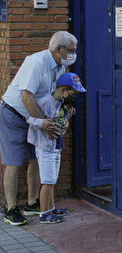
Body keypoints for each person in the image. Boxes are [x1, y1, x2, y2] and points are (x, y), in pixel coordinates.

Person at [0, 31, 78, 226]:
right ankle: (10, 209)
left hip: (34, 117)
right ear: (59, 50)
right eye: (72, 51)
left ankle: (32, 203)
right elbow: (27, 97)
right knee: (14, 163)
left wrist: (62, 117)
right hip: (15, 115)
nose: (74, 54)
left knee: (35, 159)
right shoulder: (37, 62)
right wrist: (44, 124)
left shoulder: (60, 66)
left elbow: (57, 95)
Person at [27, 73, 86, 223]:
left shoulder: (62, 105)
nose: (73, 98)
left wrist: (67, 119)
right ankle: (44, 213)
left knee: (52, 180)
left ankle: (51, 208)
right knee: (47, 181)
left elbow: (61, 118)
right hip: (45, 147)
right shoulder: (45, 102)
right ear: (63, 90)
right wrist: (43, 124)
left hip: (56, 146)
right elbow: (29, 118)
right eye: (72, 94)